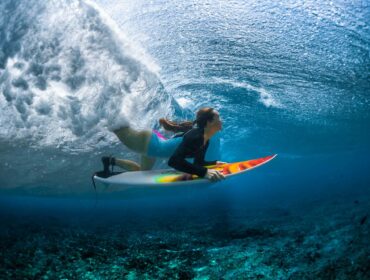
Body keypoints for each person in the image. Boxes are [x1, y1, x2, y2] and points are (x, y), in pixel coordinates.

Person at [102, 107, 225, 182]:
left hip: (153, 149)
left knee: (141, 172)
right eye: (218, 118)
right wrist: (204, 173)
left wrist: (214, 163)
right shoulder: (196, 137)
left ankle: (110, 161)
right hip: (149, 143)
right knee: (116, 125)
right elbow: (174, 162)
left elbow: (198, 163)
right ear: (209, 122)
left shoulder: (205, 139)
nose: (221, 120)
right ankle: (105, 107)